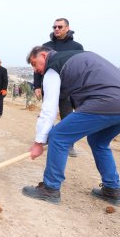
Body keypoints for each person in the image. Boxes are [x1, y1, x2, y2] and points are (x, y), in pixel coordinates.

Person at [22, 46, 120, 206]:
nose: (37, 70)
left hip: (108, 101)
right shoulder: (79, 56)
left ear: (44, 55)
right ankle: (113, 190)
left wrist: (38, 143)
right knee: (98, 141)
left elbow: (49, 108)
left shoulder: (53, 67)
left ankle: (50, 189)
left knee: (59, 136)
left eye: (36, 64)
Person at [34, 18, 84, 156]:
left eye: (60, 26)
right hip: (49, 87)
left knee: (67, 117)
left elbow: (80, 68)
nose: (56, 29)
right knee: (48, 112)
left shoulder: (77, 47)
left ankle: (68, 145)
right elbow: (37, 67)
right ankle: (48, 139)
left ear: (67, 28)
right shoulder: (45, 46)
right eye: (54, 26)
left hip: (68, 89)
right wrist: (37, 85)